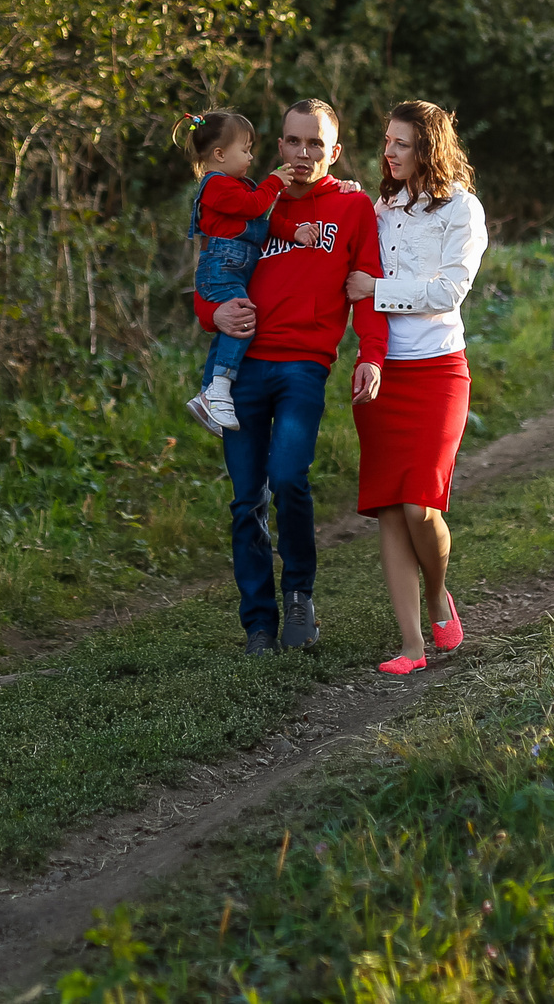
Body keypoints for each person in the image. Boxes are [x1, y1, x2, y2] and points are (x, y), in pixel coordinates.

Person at [200, 99, 386, 656]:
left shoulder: (353, 208)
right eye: (292, 142)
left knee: (288, 478)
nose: (303, 153)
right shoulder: (247, 200)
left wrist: (370, 355)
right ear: (278, 147)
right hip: (242, 368)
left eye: (315, 143)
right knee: (246, 499)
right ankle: (259, 622)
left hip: (305, 365)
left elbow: (368, 288)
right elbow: (212, 276)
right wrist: (212, 315)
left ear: (335, 150)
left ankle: (300, 596)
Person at [346, 100, 486, 675]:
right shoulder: (382, 208)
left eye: (401, 143)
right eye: (386, 141)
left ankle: (437, 595)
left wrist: (375, 289)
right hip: (384, 374)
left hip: (437, 371)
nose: (389, 152)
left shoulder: (463, 211)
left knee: (419, 504)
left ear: (427, 147)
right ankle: (411, 645)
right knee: (388, 510)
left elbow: (449, 291)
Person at [179, 111, 314, 434]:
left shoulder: (238, 185)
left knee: (233, 327)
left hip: (232, 268)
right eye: (246, 149)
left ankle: (207, 394)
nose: (251, 157)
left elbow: (262, 221)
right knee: (242, 322)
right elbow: (253, 206)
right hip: (220, 268)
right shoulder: (215, 186)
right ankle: (220, 388)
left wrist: (293, 232)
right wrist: (273, 182)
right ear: (220, 154)